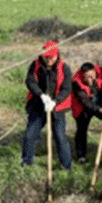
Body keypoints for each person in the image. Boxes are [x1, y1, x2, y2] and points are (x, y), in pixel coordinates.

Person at [21, 40, 72, 170]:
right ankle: (26, 163)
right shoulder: (35, 65)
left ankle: (66, 166)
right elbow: (30, 81)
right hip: (38, 105)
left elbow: (67, 88)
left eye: (52, 57)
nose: (49, 60)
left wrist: (55, 101)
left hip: (57, 106)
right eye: (46, 57)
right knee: (29, 135)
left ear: (57, 55)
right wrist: (42, 96)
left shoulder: (64, 67)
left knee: (60, 137)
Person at [70, 62, 102, 163]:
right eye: (87, 77)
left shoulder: (101, 72)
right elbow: (85, 102)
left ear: (95, 72)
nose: (90, 79)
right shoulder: (76, 83)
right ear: (82, 75)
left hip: (98, 99)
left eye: (92, 76)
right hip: (83, 107)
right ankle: (81, 155)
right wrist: (99, 110)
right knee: (81, 129)